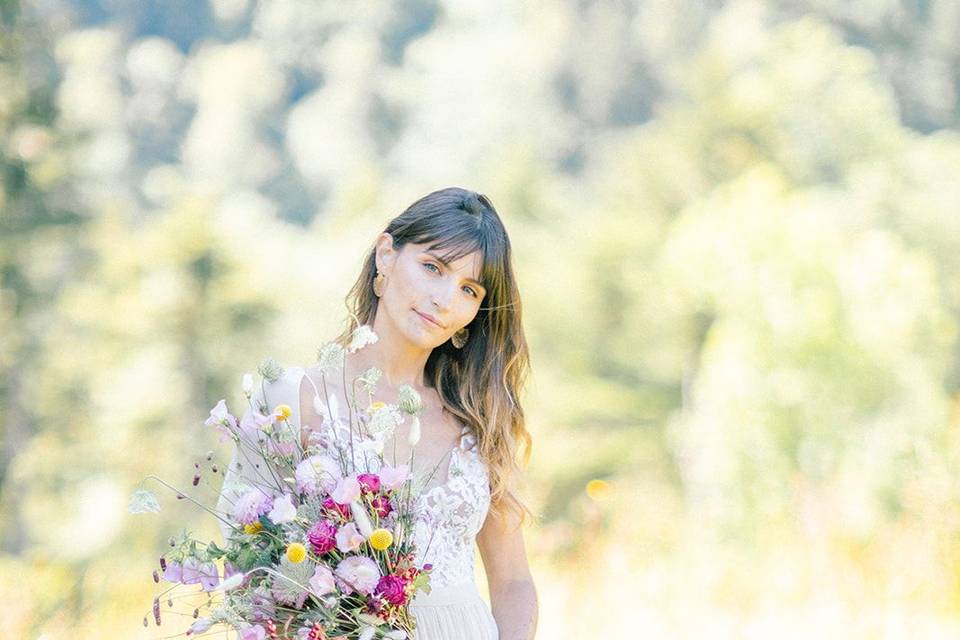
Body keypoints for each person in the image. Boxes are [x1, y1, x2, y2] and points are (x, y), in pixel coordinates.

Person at [219, 187, 538, 640]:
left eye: (469, 289)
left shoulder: (479, 418)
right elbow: (244, 567)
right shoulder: (295, 397)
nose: (445, 300)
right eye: (433, 268)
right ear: (386, 255)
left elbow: (514, 582)